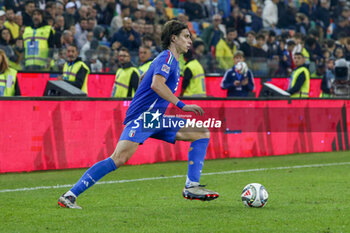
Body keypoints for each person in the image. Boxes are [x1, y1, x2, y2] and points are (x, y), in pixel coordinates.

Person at [58, 20, 219, 209]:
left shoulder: (169, 60)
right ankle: (70, 195)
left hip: (155, 118)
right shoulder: (167, 57)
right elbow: (156, 84)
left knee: (201, 132)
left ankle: (191, 186)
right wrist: (182, 105)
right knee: (118, 158)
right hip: (144, 117)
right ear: (173, 38)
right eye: (186, 36)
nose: (190, 40)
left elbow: (146, 77)